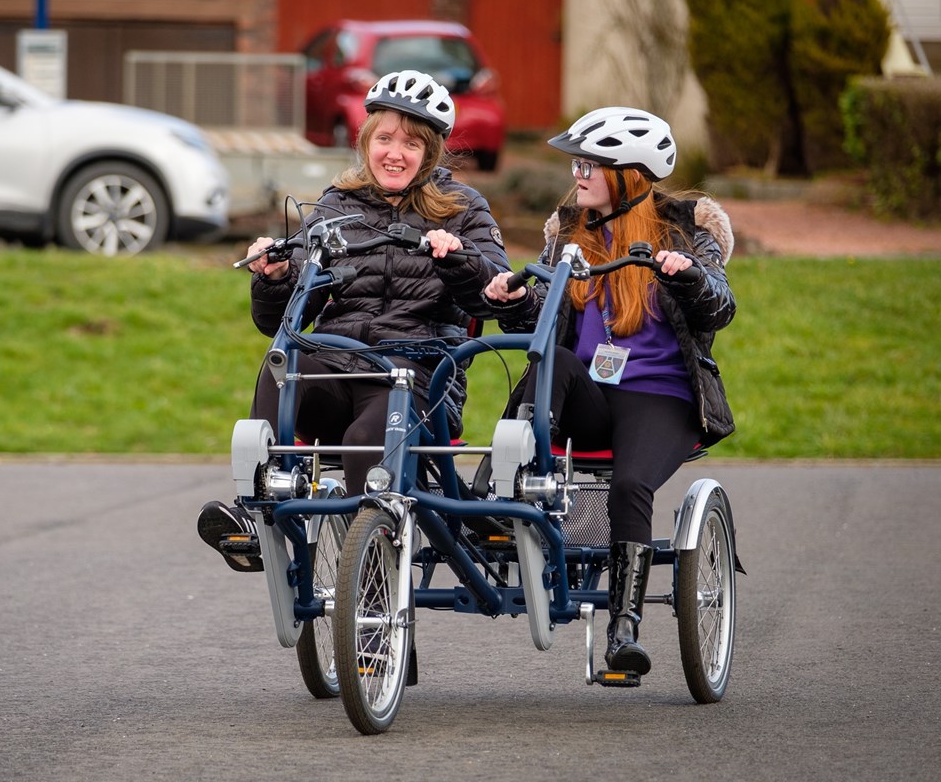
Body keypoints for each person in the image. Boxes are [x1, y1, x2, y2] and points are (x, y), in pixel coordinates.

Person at [198, 69, 511, 572]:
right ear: (366, 142)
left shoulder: (463, 208)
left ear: (430, 152)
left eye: (410, 143)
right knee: (283, 365)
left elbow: (495, 295)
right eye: (384, 138)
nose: (394, 152)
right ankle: (255, 515)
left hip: (419, 378)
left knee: (368, 441)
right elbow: (276, 317)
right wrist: (276, 274)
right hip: (341, 364)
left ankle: (370, 588)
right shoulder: (336, 205)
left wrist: (460, 258)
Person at [482, 106, 736, 676]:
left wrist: (690, 275)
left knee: (628, 485)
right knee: (558, 363)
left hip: (662, 399)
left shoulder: (685, 231)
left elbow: (720, 305)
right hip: (594, 393)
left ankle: (624, 631)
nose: (577, 174)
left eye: (590, 165)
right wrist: (509, 301)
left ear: (628, 174)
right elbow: (537, 323)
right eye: (576, 163)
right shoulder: (569, 234)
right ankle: (498, 495)